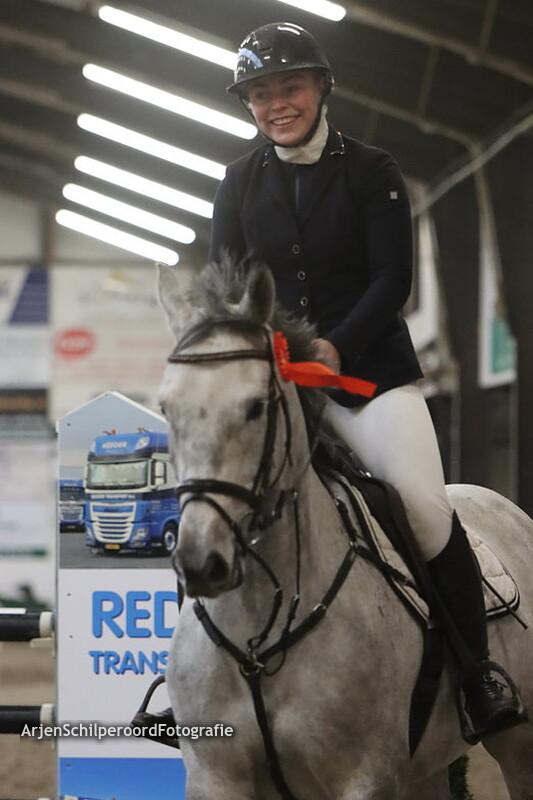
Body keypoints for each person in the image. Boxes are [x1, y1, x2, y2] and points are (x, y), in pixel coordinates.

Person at [208, 21, 523, 738]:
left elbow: (392, 279)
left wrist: (336, 346)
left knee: (424, 511)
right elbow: (227, 288)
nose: (276, 104)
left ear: (321, 87)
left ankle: (478, 673)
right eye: (260, 94)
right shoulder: (237, 182)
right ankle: (198, 683)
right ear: (248, 105)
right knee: (222, 506)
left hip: (368, 381)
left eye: (289, 87)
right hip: (282, 388)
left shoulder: (372, 170)